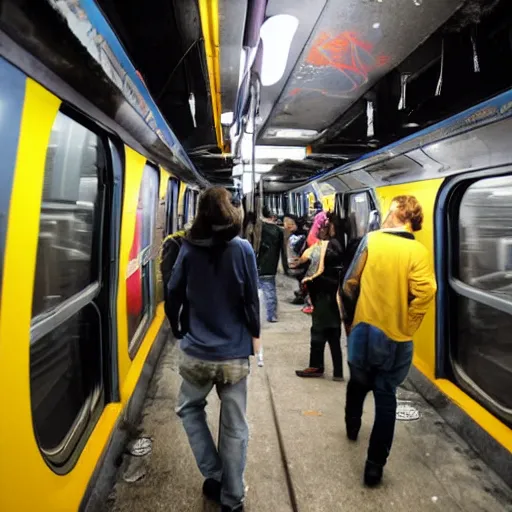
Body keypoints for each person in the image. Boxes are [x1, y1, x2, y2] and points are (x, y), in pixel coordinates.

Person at [167, 187, 260, 512]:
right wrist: (254, 337)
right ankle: (233, 499)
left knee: (189, 408)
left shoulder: (189, 249)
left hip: (197, 353)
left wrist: (179, 330)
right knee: (234, 425)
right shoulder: (243, 249)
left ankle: (215, 474)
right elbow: (251, 298)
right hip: (234, 355)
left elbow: (173, 292)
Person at [341, 195, 437, 487]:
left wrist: (351, 320)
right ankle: (374, 467)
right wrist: (405, 325)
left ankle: (353, 424)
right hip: (395, 340)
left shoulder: (372, 240)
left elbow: (349, 282)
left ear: (399, 211)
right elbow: (425, 292)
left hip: (363, 333)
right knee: (386, 399)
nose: (384, 214)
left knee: (357, 382)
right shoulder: (418, 252)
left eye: (389, 208)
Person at [295, 213, 345, 380]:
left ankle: (316, 366)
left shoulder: (328, 246)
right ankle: (338, 371)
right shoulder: (340, 244)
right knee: (334, 333)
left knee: (318, 331)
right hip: (335, 296)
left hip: (325, 294)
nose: (320, 230)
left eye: (323, 226)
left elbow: (306, 257)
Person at [257, 206, 287, 322]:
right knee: (270, 289)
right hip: (271, 264)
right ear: (273, 217)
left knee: (261, 289)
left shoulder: (258, 229)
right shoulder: (279, 231)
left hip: (259, 264)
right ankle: (271, 314)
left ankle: (263, 314)